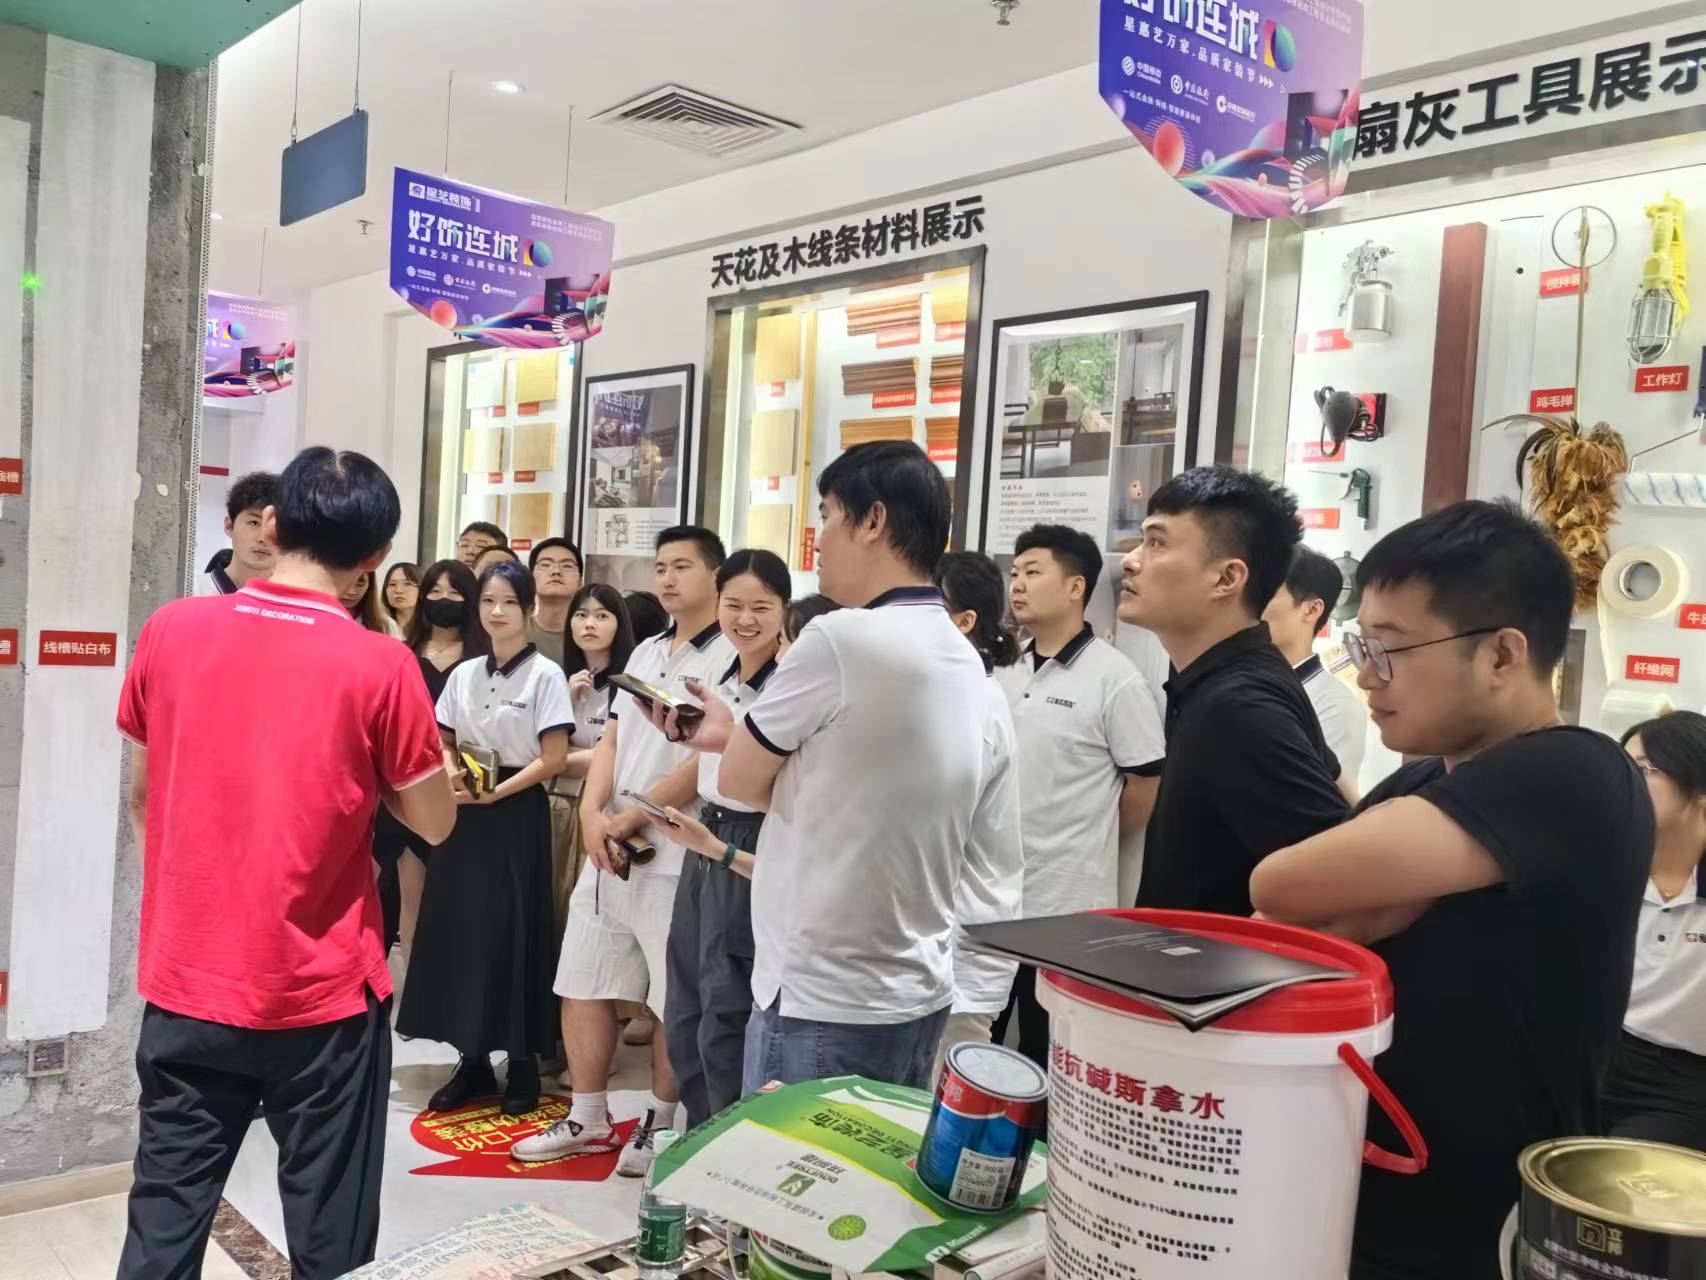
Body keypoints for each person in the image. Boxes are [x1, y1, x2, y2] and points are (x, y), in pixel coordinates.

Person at [1248, 499, 1652, 1280]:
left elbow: (1280, 878)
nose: (1367, 674)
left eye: (1391, 648)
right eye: (1361, 645)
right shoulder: (1419, 782)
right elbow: (1283, 927)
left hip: (1480, 1218)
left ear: (1502, 654)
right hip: (1357, 1187)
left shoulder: (1576, 771)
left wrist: (1365, 905)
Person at [115, 447, 455, 1279]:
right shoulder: (383, 665)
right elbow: (434, 822)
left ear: (270, 523)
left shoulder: (173, 629)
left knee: (164, 1217)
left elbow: (142, 796)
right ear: (376, 558)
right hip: (324, 994)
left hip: (189, 979)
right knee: (330, 1235)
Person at [656, 442, 1022, 1092]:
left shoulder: (838, 638)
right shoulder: (963, 657)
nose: (818, 538)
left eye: (826, 514)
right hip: (916, 987)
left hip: (819, 991)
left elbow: (738, 784)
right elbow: (857, 793)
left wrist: (734, 747)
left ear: (873, 520)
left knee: (786, 1157)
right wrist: (731, 735)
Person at [516, 528, 734, 1175]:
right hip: (610, 848)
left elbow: (703, 763)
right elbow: (611, 741)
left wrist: (632, 815)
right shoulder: (646, 649)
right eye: (660, 567)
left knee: (672, 998)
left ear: (715, 575)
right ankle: (587, 1115)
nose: (667, 578)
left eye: (682, 566)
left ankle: (660, 1122)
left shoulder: (729, 656)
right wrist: (592, 815)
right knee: (583, 978)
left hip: (676, 850)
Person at [1118, 465, 1347, 916]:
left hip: (1216, 963)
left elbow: (1343, 882)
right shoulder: (1230, 681)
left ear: (1226, 579)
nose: (1131, 560)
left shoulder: (1237, 704)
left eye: (1157, 543)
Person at [397, 560, 574, 1118]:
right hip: (464, 813)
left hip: (516, 812)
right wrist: (454, 773)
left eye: (509, 603)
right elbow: (442, 736)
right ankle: (470, 1059)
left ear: (527, 609)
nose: (497, 612)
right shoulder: (466, 673)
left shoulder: (545, 675)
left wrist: (499, 792)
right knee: (463, 931)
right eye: (489, 602)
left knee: (514, 930)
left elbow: (554, 758)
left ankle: (521, 1062)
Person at [995, 524, 1165, 1066]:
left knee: (1050, 1052)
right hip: (994, 899)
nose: (1018, 584)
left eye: (1033, 572)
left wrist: (1090, 835)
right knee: (979, 1039)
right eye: (1015, 573)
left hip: (1067, 910)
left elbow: (1144, 788)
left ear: (1076, 587)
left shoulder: (1115, 679)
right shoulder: (1005, 669)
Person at [640, 549, 790, 1130]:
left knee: (728, 1006)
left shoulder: (790, 684)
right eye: (734, 605)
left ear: (784, 610)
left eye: (762, 607)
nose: (745, 619)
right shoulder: (720, 677)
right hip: (704, 835)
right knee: (685, 1001)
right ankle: (699, 1127)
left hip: (753, 838)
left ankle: (725, 1138)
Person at [930, 551, 1025, 1078]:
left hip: (962, 947)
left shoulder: (973, 706)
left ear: (964, 621)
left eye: (927, 607)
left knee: (939, 1104)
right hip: (946, 941)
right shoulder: (958, 695)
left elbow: (929, 825)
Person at [1602, 711, 1706, 1153]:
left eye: (1644, 770)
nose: (1626, 782)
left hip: (1682, 1087)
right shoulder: (1606, 867)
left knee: (1618, 1177)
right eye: (1623, 767)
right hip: (1596, 1052)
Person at [377, 560, 489, 958]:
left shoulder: (483, 659)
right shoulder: (402, 654)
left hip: (465, 789)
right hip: (405, 785)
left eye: (455, 592)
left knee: (458, 900)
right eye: (436, 591)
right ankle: (409, 981)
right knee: (408, 890)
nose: (444, 600)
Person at [1262, 545, 1369, 795]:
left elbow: (1317, 801)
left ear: (1311, 610)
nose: (1248, 606)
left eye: (1265, 593)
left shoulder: (1335, 706)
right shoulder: (1238, 682)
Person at [196, 471, 277, 596]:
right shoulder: (191, 593)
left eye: (276, 526)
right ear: (229, 526)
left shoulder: (298, 603)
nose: (263, 538)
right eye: (254, 522)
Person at [529, 537, 585, 667]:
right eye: (545, 565)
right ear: (530, 577)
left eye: (567, 566)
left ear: (580, 582)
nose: (556, 571)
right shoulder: (515, 631)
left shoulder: (590, 633)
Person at [340, 568, 402, 637]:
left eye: (360, 582)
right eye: (343, 582)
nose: (351, 592)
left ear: (370, 584)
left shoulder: (385, 625)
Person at [382, 562, 421, 635]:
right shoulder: (377, 626)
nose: (398, 590)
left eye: (407, 583)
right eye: (392, 584)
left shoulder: (434, 628)